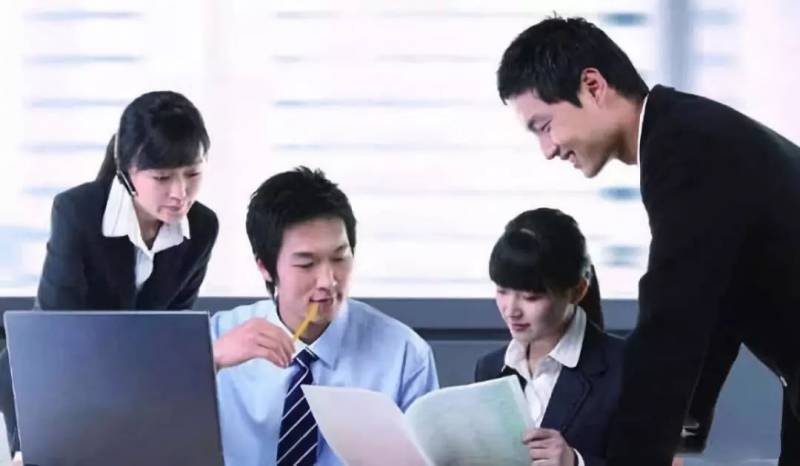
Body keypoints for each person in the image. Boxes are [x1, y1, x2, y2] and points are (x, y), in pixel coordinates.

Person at [496, 16, 800, 465]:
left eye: (545, 125)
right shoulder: (683, 132)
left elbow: (671, 320)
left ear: (593, 86)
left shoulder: (687, 148)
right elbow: (714, 305)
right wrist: (679, 430)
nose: (548, 149)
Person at [0, 90, 218, 452]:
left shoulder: (203, 227)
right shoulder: (77, 212)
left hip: (127, 388)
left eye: (192, 173)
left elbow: (171, 333)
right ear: (128, 171)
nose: (180, 193)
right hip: (46, 383)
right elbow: (56, 332)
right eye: (162, 178)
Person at [210, 167, 439, 466]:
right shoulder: (220, 336)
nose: (327, 281)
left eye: (339, 258)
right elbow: (156, 428)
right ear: (265, 267)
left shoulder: (405, 355)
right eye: (307, 264)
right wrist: (210, 362)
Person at [475, 208, 623, 466]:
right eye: (502, 291)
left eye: (531, 297)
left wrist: (575, 462)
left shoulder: (627, 367)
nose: (511, 310)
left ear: (577, 291)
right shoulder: (490, 369)